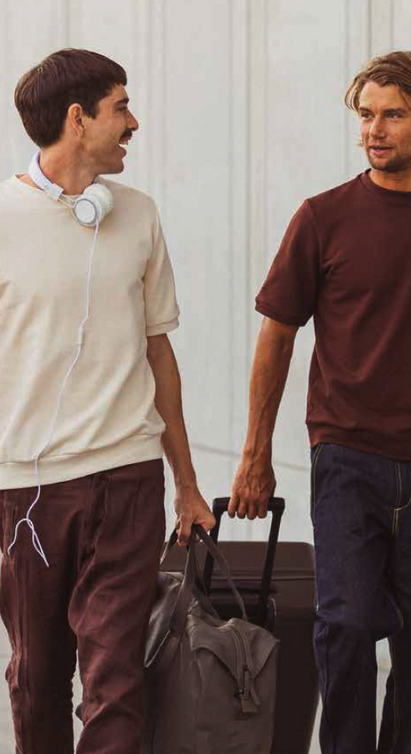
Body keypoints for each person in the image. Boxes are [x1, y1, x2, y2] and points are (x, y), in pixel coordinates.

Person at [230, 50, 411, 753]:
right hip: (346, 458)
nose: (375, 129)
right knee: (347, 624)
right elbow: (276, 337)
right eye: (366, 114)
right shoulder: (323, 217)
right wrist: (254, 454)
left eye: (393, 114)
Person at [0, 48, 215, 753]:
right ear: (77, 118)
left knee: (117, 676)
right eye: (120, 107)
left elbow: (160, 354)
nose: (134, 122)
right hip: (26, 491)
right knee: (37, 677)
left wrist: (185, 484)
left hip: (127, 476)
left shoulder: (141, 216)